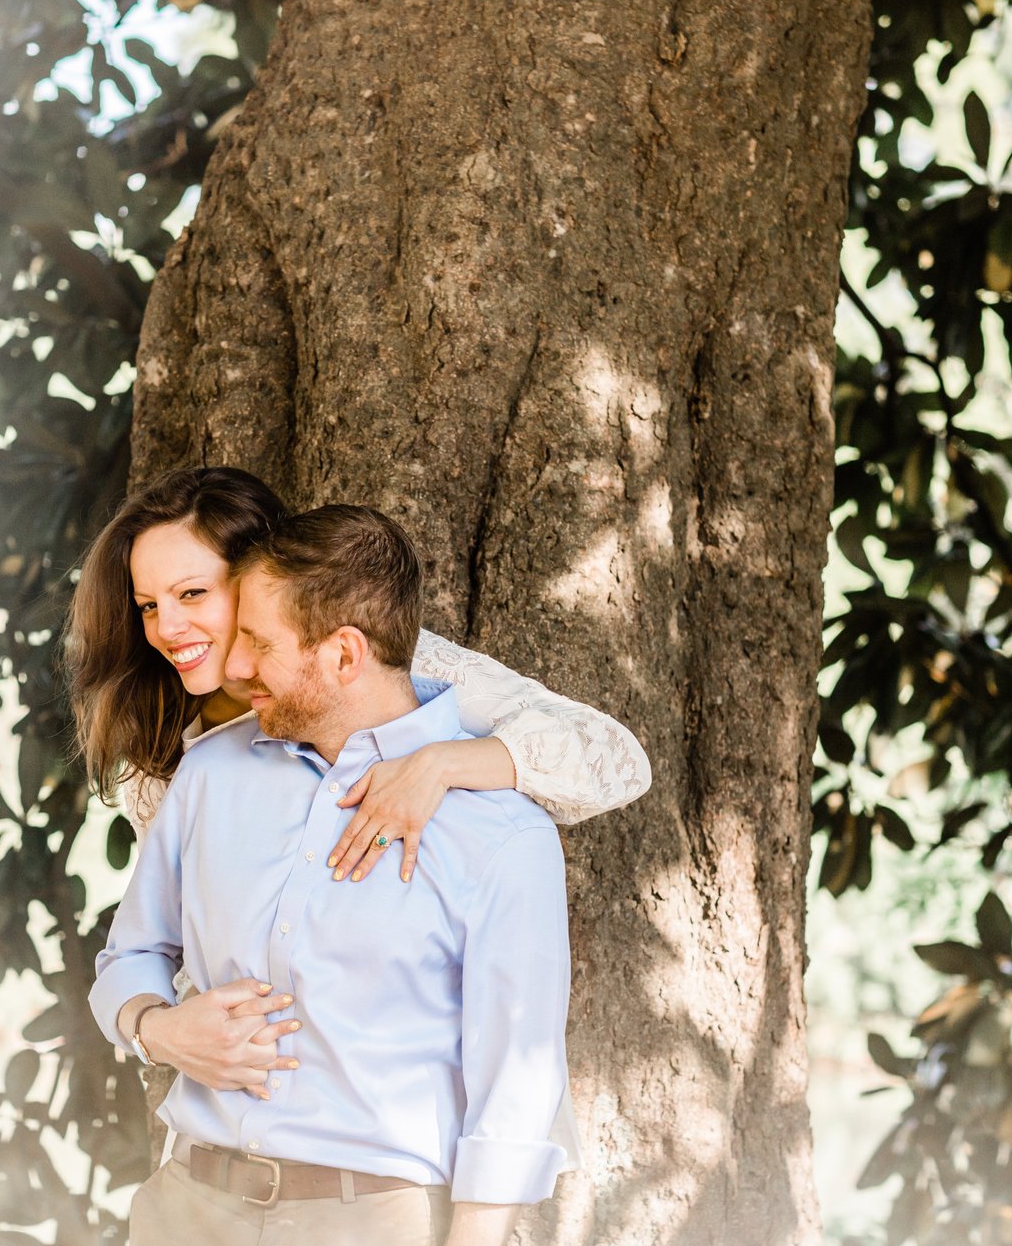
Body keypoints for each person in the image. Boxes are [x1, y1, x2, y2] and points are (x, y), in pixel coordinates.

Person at [87, 505, 574, 1246]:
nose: (228, 663)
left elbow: (513, 1106)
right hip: (191, 1223)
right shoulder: (212, 774)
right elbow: (126, 959)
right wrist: (163, 1027)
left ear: (342, 652)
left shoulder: (498, 838)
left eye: (254, 642)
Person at [67, 465, 646, 1108]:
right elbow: (161, 940)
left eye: (193, 594)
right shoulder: (166, 749)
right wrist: (163, 1031)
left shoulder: (370, 661)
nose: (166, 629)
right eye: (149, 605)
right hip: (227, 1099)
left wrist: (440, 765)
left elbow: (614, 757)